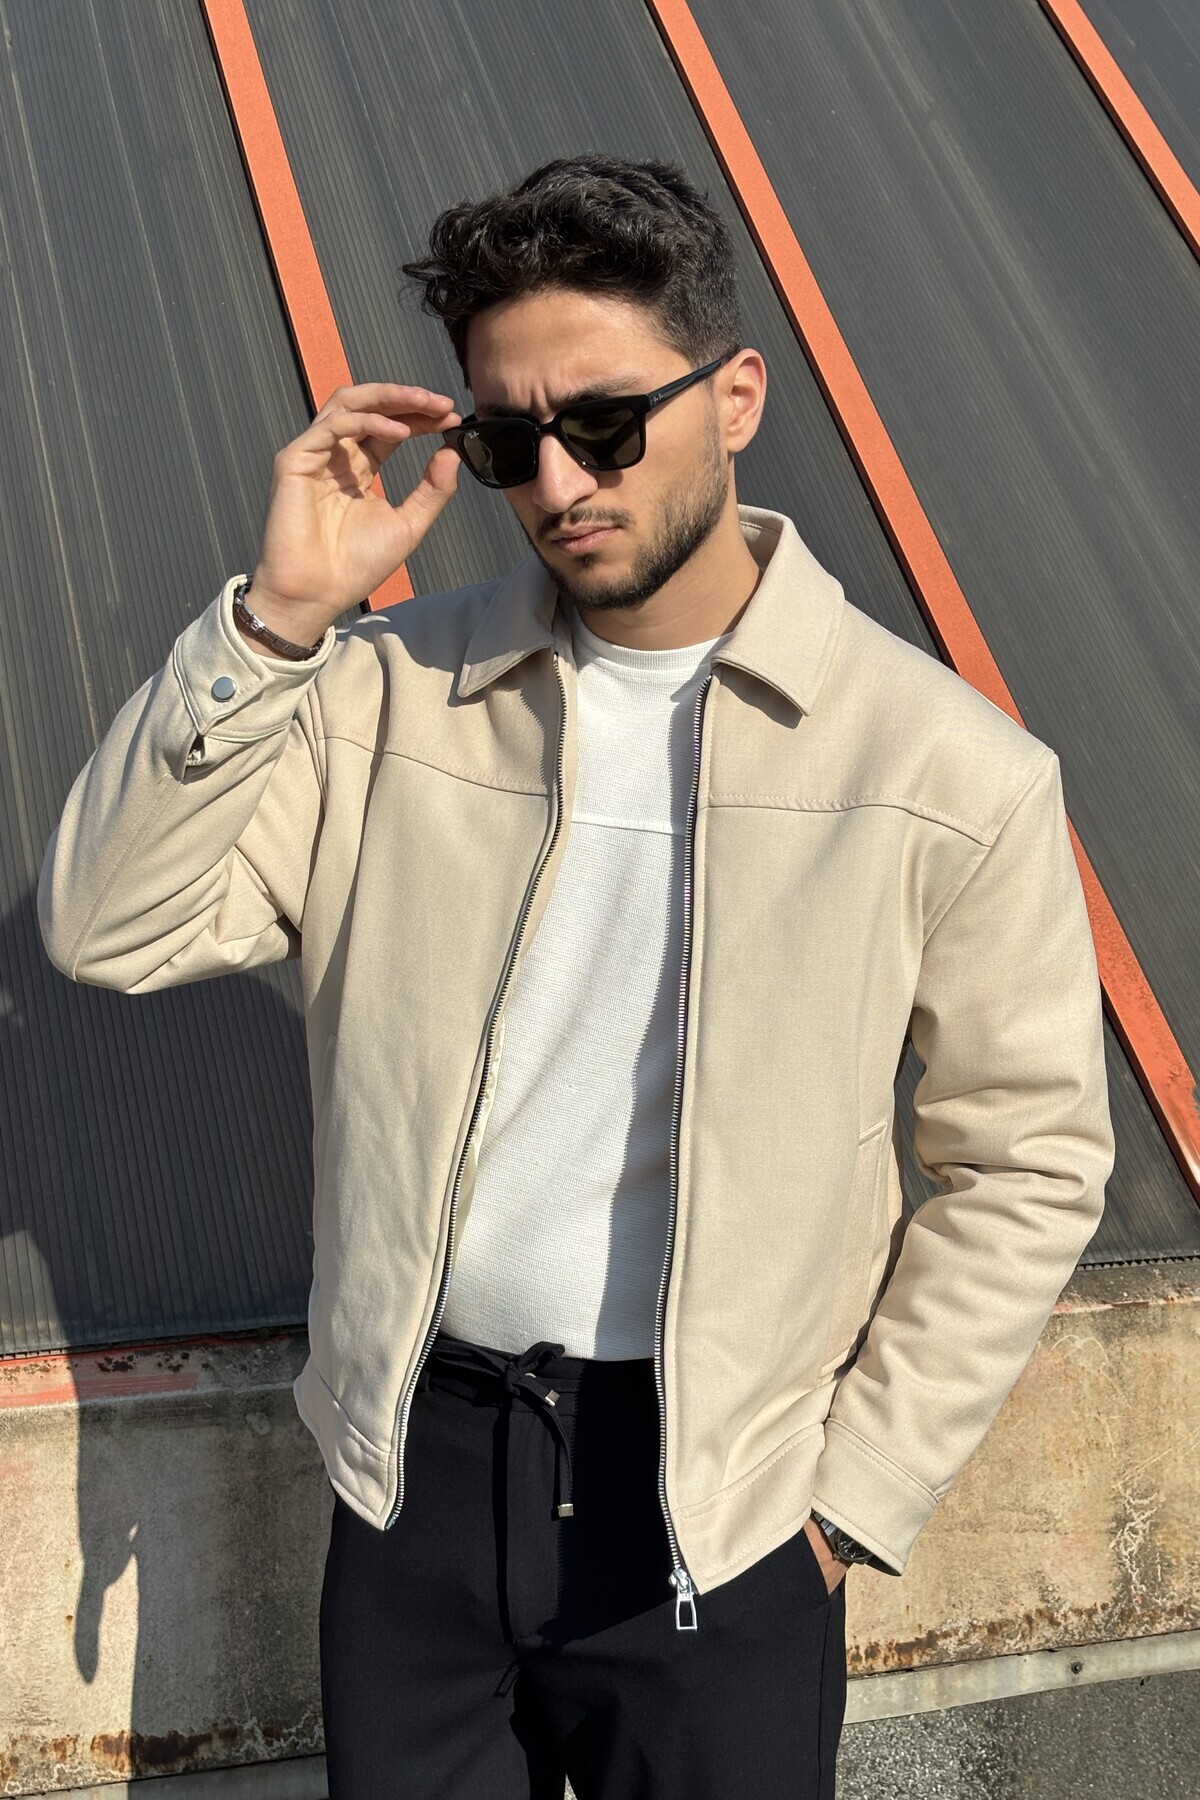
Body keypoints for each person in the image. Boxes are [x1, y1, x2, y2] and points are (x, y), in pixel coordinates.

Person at [38, 153, 1115, 1798]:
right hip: (419, 1476)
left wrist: (849, 1502)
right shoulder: (381, 698)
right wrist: (274, 623)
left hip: (721, 1508)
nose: (556, 481)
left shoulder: (945, 771)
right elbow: (106, 926)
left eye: (605, 423)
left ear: (735, 396)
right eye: (506, 440)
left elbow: (1029, 1158)